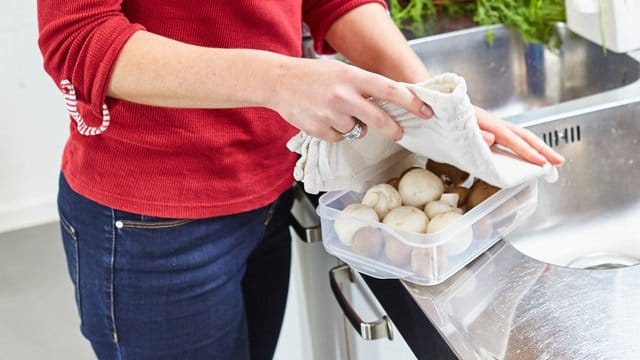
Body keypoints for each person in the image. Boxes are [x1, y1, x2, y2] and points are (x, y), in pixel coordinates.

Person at [37, 0, 565, 359]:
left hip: (270, 184)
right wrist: (280, 79)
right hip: (151, 222)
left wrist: (432, 103)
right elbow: (80, 38)